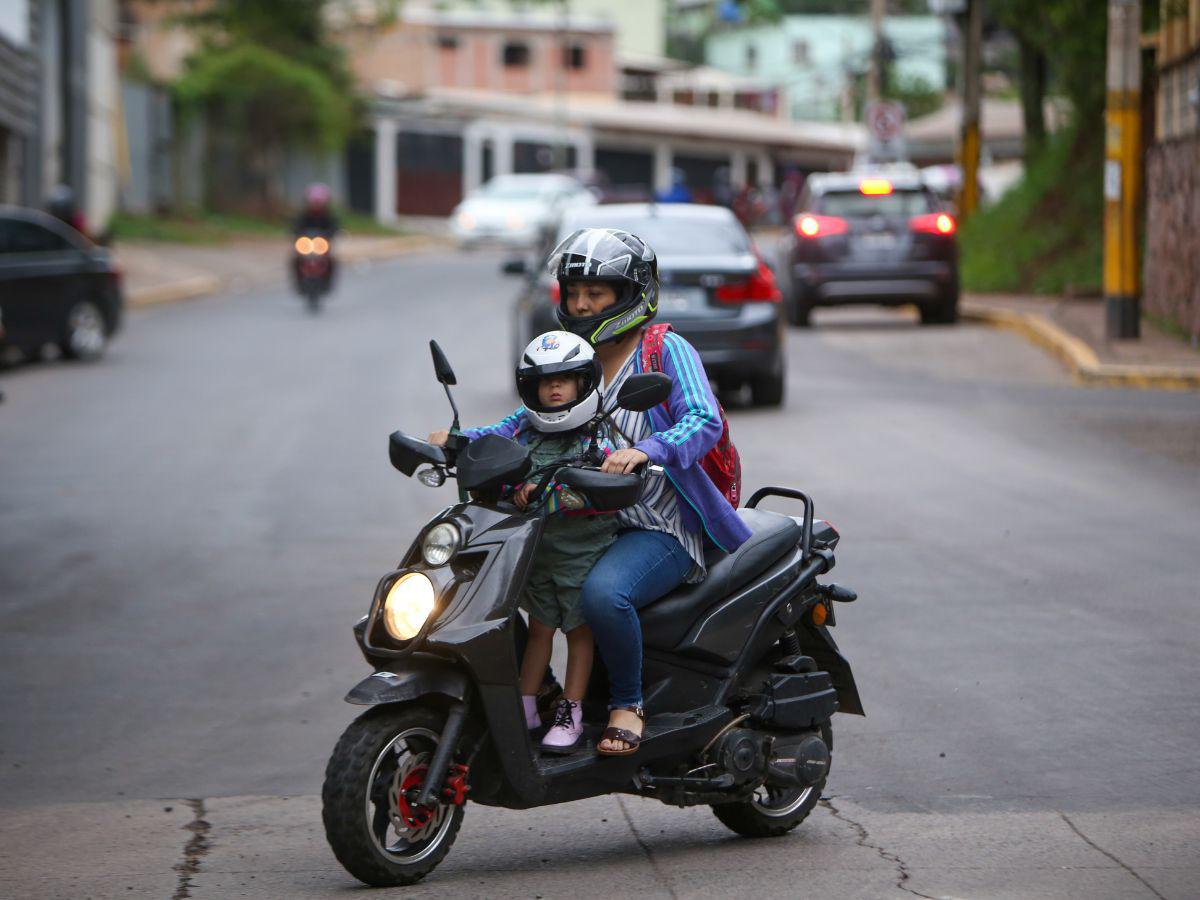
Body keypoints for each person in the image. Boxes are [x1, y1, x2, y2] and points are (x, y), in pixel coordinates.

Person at [546, 228, 751, 755]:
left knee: (601, 594)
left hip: (663, 527)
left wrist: (651, 449)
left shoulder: (664, 349)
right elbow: (532, 420)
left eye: (596, 293)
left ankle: (627, 704)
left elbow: (703, 420)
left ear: (630, 295)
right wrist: (465, 442)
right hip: (593, 519)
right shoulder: (579, 359)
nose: (582, 303)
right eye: (575, 293)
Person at [431, 331, 619, 754]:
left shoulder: (596, 435)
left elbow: (602, 483)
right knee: (538, 630)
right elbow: (492, 436)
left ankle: (571, 710)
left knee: (579, 633)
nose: (554, 388)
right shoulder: (523, 423)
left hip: (581, 552)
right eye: (544, 381)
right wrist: (454, 441)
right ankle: (526, 705)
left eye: (565, 379)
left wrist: (543, 491)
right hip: (535, 549)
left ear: (584, 382)